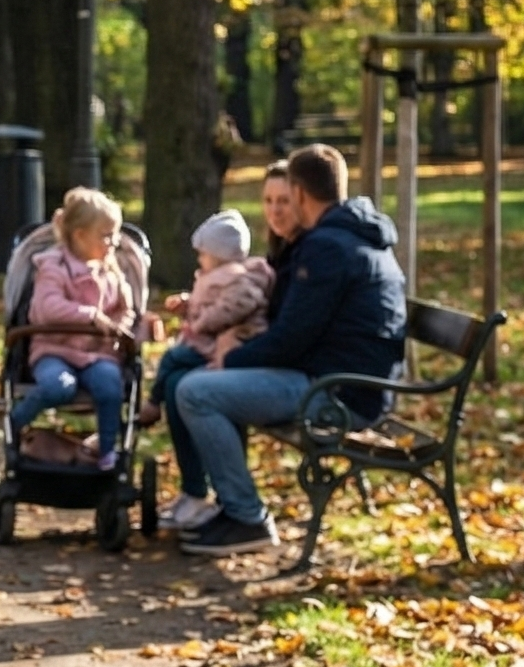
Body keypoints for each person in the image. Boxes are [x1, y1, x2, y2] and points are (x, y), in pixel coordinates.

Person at [173, 144, 406, 558]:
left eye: (286, 196)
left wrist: (231, 358)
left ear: (299, 193)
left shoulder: (328, 247)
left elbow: (291, 338)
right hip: (342, 382)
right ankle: (230, 508)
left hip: (337, 394)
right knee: (201, 383)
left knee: (196, 391)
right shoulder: (349, 236)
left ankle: (245, 517)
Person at [158, 162, 302, 532]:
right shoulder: (280, 252)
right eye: (268, 200)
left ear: (303, 200)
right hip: (256, 355)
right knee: (178, 385)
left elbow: (272, 321)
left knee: (188, 388)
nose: (275, 210)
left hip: (292, 373)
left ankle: (238, 508)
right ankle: (197, 492)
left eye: (284, 200)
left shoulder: (305, 253)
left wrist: (235, 351)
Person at [8, 187, 138, 470]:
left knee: (110, 387)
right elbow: (47, 307)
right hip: (55, 349)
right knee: (58, 388)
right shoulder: (53, 267)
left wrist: (120, 328)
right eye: (106, 234)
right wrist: (90, 316)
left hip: (98, 353)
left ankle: (106, 452)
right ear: (79, 235)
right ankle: (16, 421)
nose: (114, 242)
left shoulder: (111, 271)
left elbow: (124, 310)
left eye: (114, 234)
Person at [139, 208, 273, 440]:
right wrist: (188, 304)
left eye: (203, 254)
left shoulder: (236, 277)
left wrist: (203, 321)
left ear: (218, 255)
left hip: (222, 345)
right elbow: (209, 303)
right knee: (174, 366)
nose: (199, 259)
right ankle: (157, 402)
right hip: (209, 340)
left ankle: (152, 403)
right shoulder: (218, 276)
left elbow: (232, 306)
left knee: (173, 358)